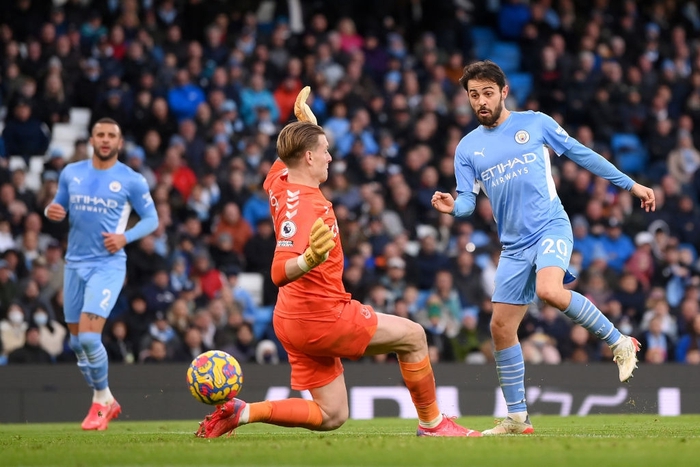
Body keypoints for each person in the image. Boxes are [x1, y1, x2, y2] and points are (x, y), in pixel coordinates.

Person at [196, 88, 481, 438]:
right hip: (321, 316)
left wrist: (306, 123)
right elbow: (277, 272)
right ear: (309, 158)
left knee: (332, 414)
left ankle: (243, 412)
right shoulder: (306, 207)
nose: (330, 158)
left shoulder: (279, 181)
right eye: (325, 151)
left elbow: (285, 154)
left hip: (292, 317)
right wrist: (309, 258)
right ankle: (433, 424)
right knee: (414, 336)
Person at [431, 61, 656, 435]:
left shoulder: (535, 123)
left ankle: (620, 342)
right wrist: (453, 207)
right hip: (514, 246)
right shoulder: (467, 148)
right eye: (474, 95)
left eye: (488, 93)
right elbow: (469, 202)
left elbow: (584, 155)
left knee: (549, 290)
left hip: (550, 225)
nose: (481, 101)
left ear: (504, 92)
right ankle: (518, 418)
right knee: (501, 328)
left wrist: (631, 185)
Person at [44, 118, 159, 430]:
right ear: (92, 139)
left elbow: (151, 219)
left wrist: (125, 237)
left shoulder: (131, 180)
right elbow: (58, 206)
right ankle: (106, 399)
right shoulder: (71, 173)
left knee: (91, 336)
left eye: (112, 136)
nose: (106, 140)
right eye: (100, 135)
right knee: (77, 341)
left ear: (119, 143)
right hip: (74, 265)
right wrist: (50, 210)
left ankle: (100, 400)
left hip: (107, 266)